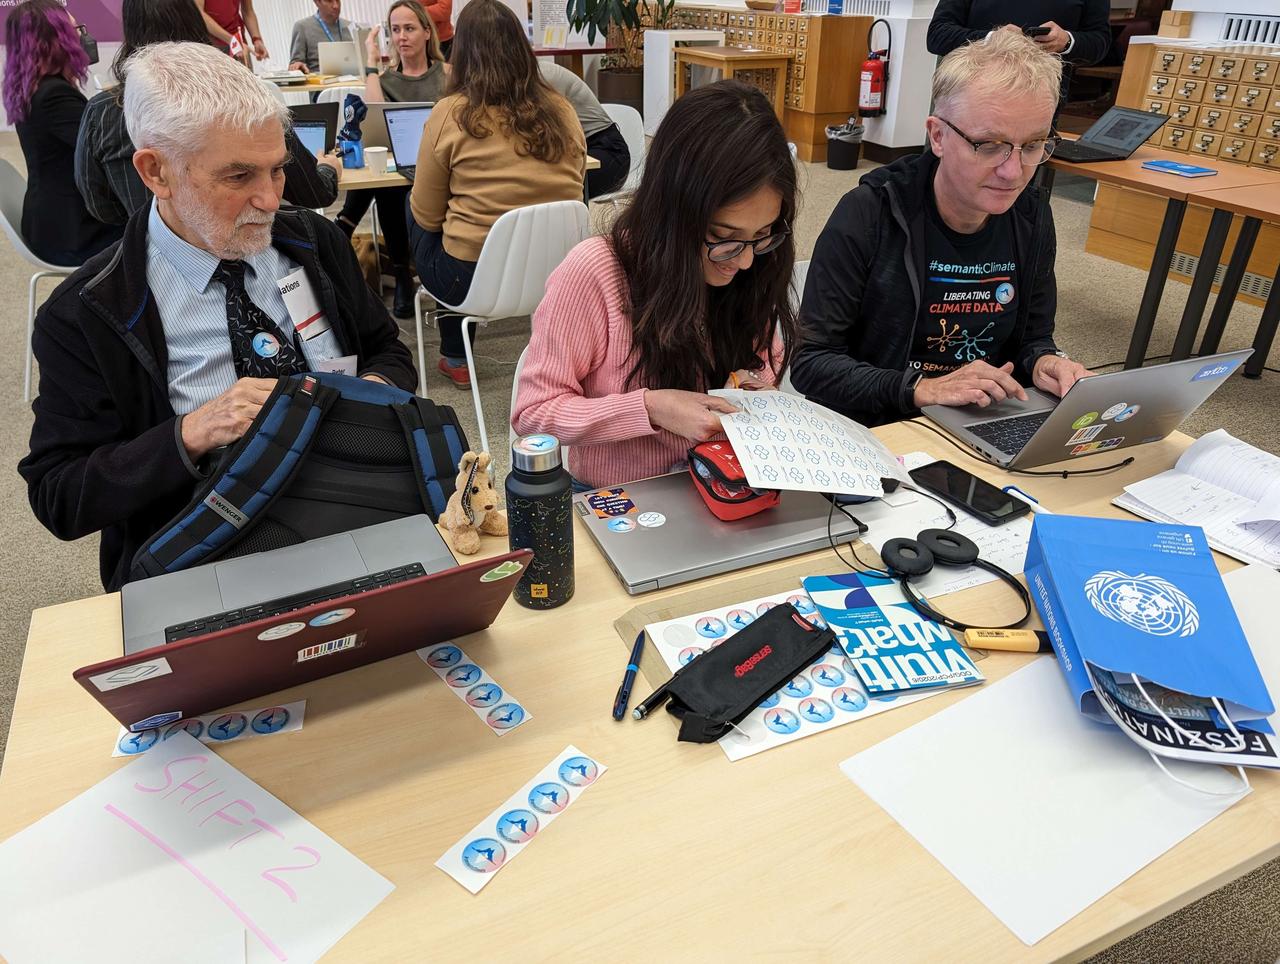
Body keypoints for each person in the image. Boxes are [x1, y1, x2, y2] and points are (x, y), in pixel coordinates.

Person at [20, 42, 415, 591]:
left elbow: (389, 352)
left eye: (277, 170)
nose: (269, 199)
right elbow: (60, 494)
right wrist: (192, 433)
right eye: (238, 177)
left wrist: (366, 398)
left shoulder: (313, 243)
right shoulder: (89, 311)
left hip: (357, 509)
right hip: (210, 553)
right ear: (156, 172)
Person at [790, 30, 1090, 427]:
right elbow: (812, 363)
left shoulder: (1030, 216)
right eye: (989, 145)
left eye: (1033, 145)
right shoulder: (869, 212)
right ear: (938, 136)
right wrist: (923, 389)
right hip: (885, 426)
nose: (1013, 172)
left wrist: (1045, 361)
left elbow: (1033, 338)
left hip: (984, 418)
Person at [511, 80, 795, 488]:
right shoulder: (598, 271)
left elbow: (764, 363)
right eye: (724, 236)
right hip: (619, 497)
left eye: (762, 234)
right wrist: (650, 408)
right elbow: (534, 414)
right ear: (674, 213)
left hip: (722, 486)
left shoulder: (755, 265)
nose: (745, 260)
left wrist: (755, 391)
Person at [409, 0, 585, 390]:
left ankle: (455, 355)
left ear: (461, 53)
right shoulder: (562, 109)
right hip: (557, 274)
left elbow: (426, 217)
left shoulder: (450, 113)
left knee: (416, 209)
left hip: (469, 281)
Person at [74, 0, 342, 227]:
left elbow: (99, 205)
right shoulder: (242, 97)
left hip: (144, 254)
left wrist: (140, 221)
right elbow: (315, 193)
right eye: (238, 176)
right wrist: (328, 169)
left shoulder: (101, 112)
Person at [333, 0, 447, 318]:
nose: (401, 37)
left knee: (386, 180)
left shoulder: (448, 75)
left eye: (409, 28)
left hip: (438, 164)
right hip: (398, 170)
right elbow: (375, 125)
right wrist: (371, 64)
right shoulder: (385, 80)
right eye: (395, 30)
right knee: (386, 179)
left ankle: (345, 225)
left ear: (427, 32)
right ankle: (401, 273)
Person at [2, 0, 121, 266]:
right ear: (56, 40)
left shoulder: (33, 88)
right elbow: (102, 149)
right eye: (74, 29)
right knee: (149, 230)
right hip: (70, 233)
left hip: (51, 220)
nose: (82, 37)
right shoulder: (54, 95)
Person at [927, 0, 1110, 102]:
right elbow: (937, 35)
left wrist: (1066, 41)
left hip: (1039, 100)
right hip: (967, 96)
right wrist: (992, 38)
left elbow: (1100, 42)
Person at [538, 60, 630, 199]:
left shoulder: (543, 78)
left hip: (608, 153)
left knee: (543, 186)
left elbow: (549, 133)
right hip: (582, 149)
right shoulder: (532, 75)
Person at [289, 0, 353, 74]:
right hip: (320, 79)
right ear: (317, 2)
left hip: (353, 78)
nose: (336, 6)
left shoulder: (350, 26)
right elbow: (295, 64)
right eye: (329, 1)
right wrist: (297, 65)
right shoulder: (302, 27)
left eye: (338, 1)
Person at [195, 0, 267, 62]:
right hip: (210, 47)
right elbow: (199, 14)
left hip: (240, 46)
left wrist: (256, 39)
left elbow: (247, 11)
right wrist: (233, 41)